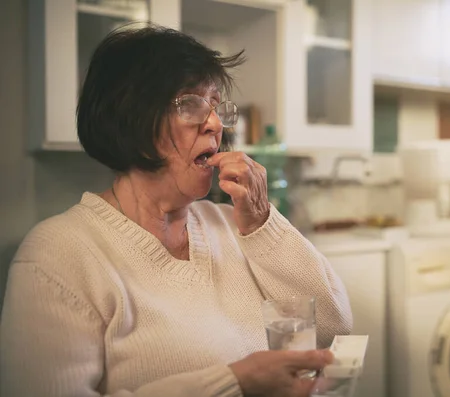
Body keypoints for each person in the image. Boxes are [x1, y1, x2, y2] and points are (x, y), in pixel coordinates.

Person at [0, 25, 352, 397]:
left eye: (216, 106)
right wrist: (234, 383)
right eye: (191, 104)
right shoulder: (58, 255)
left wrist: (262, 222)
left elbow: (331, 328)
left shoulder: (232, 223)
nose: (215, 124)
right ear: (132, 117)